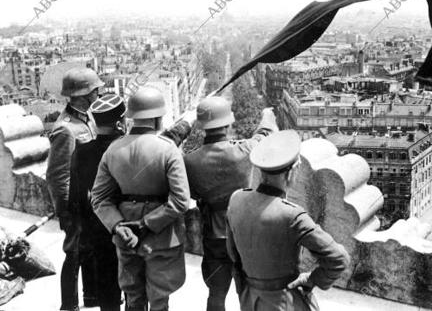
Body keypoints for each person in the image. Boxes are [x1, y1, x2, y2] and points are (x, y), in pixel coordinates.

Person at [71, 94, 196, 311]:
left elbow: (99, 198)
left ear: (131, 119)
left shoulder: (113, 150)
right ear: (157, 119)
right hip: (161, 235)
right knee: (159, 299)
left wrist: (118, 226)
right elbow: (180, 200)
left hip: (125, 236)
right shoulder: (167, 149)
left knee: (134, 297)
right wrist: (145, 224)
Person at [226, 130, 351, 311]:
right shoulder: (292, 215)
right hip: (285, 302)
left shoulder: (236, 199)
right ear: (292, 171)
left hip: (249, 299)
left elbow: (233, 254)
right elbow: (339, 258)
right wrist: (312, 279)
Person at [184, 96, 278, 311]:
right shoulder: (244, 150)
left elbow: (189, 193)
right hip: (245, 233)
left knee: (216, 294)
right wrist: (267, 115)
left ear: (202, 128)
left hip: (214, 236)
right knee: (249, 291)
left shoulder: (189, 161)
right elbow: (265, 134)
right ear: (228, 124)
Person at [46, 67, 104, 311]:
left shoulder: (87, 118)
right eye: (95, 90)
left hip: (88, 200)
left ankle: (91, 296)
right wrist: (66, 211)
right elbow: (57, 175)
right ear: (83, 94)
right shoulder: (65, 129)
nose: (99, 93)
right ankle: (69, 305)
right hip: (74, 205)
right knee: (74, 254)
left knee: (89, 250)